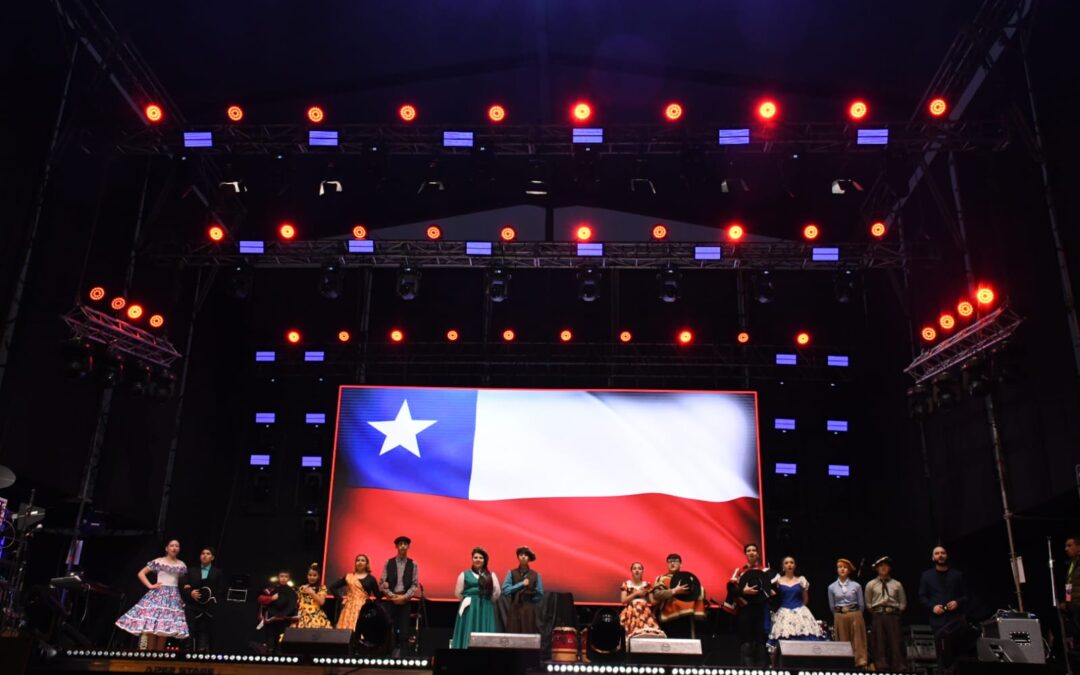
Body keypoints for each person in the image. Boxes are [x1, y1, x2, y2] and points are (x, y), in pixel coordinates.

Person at [115, 539, 190, 650]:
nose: (174, 548)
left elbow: (180, 580)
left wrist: (185, 586)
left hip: (172, 597)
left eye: (177, 546)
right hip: (159, 594)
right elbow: (141, 573)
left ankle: (158, 656)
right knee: (152, 625)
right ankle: (149, 655)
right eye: (172, 545)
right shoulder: (159, 561)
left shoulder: (181, 564)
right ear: (167, 548)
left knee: (164, 627)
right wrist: (150, 585)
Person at [918, 545, 968, 671]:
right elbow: (922, 596)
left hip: (955, 620)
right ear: (933, 557)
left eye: (943, 553)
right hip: (938, 620)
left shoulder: (957, 574)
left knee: (958, 651)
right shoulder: (926, 575)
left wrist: (957, 602)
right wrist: (932, 607)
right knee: (941, 652)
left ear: (947, 555)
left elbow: (966, 595)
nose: (940, 555)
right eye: (937, 553)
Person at [767, 556, 824, 656]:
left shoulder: (801, 580)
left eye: (791, 562)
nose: (789, 565)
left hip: (800, 611)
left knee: (805, 638)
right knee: (784, 639)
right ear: (783, 566)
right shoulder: (778, 581)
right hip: (784, 612)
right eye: (786, 563)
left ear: (795, 565)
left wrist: (799, 610)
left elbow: (805, 599)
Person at [724, 542, 771, 667]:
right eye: (748, 550)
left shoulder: (765, 570)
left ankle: (762, 670)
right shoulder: (739, 571)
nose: (751, 552)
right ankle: (747, 670)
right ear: (745, 554)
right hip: (745, 610)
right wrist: (743, 591)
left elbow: (772, 590)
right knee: (747, 640)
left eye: (754, 550)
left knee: (761, 641)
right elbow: (731, 588)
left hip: (761, 610)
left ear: (757, 553)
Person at [451, 547, 501, 648]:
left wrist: (487, 601)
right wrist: (469, 600)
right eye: (475, 557)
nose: (478, 559)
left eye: (481, 558)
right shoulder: (464, 574)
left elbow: (497, 592)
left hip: (486, 607)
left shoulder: (491, 575)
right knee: (468, 629)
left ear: (485, 560)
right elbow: (458, 593)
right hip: (469, 608)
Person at [865, 555, 908, 671]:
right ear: (877, 569)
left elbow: (903, 602)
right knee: (879, 641)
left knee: (896, 641)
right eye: (880, 566)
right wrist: (875, 612)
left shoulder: (897, 584)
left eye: (886, 566)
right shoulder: (871, 584)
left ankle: (899, 665)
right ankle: (881, 665)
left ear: (889, 568)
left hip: (893, 615)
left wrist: (898, 611)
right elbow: (868, 603)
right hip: (878, 615)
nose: (883, 568)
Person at [181, 546, 225, 652]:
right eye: (203, 553)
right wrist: (190, 592)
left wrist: (210, 597)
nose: (205, 555)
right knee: (190, 630)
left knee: (204, 631)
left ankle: (201, 654)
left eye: (208, 553)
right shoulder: (191, 571)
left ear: (212, 557)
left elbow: (221, 589)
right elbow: (184, 586)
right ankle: (187, 653)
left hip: (208, 607)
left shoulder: (217, 572)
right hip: (192, 606)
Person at [651, 553, 706, 639]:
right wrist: (675, 591)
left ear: (681, 564)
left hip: (686, 617)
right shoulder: (662, 579)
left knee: (686, 646)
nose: (672, 563)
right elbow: (657, 595)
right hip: (668, 618)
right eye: (670, 561)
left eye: (675, 561)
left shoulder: (688, 579)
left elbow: (699, 591)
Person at [380, 536, 419, 657]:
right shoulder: (389, 562)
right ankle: (385, 658)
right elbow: (382, 583)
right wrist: (393, 596)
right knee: (387, 630)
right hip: (390, 601)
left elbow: (414, 584)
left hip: (405, 601)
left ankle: (403, 659)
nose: (402, 546)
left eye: (405, 544)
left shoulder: (413, 564)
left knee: (404, 633)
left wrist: (404, 597)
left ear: (408, 547)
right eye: (400, 544)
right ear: (396, 546)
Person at [827, 558, 868, 668]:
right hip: (839, 615)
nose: (842, 569)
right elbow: (832, 605)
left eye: (845, 567)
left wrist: (857, 614)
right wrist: (838, 614)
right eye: (840, 567)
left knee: (858, 638)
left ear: (849, 571)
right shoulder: (831, 587)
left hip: (854, 613)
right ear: (837, 569)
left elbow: (861, 604)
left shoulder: (856, 585)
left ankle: (860, 661)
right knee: (843, 638)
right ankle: (844, 662)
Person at [329, 554, 382, 632]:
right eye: (358, 560)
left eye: (362, 560)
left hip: (364, 608)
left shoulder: (371, 579)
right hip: (349, 608)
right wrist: (340, 599)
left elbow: (378, 595)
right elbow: (332, 587)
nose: (360, 562)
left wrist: (373, 607)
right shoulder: (349, 577)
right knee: (345, 633)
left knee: (362, 632)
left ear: (367, 564)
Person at [501, 546, 543, 633]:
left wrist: (530, 599)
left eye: (526, 555)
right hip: (514, 607)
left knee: (528, 632)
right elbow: (506, 590)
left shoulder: (536, 575)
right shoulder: (511, 573)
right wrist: (521, 584)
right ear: (518, 557)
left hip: (529, 609)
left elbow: (540, 594)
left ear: (529, 558)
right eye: (521, 555)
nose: (523, 556)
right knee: (513, 632)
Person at [619, 562, 665, 640]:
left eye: (639, 568)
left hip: (644, 611)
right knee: (632, 634)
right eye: (634, 568)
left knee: (647, 634)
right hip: (631, 611)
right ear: (631, 571)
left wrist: (663, 595)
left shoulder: (647, 585)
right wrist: (636, 593)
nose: (637, 570)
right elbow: (623, 600)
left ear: (642, 571)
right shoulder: (626, 584)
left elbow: (652, 601)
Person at [257, 569, 299, 654]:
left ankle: (280, 653)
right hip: (272, 618)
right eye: (281, 576)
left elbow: (297, 603)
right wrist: (271, 598)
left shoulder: (293, 590)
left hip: (285, 619)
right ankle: (270, 652)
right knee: (271, 637)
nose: (283, 578)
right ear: (278, 577)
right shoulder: (271, 589)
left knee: (282, 637)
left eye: (286, 577)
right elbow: (260, 599)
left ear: (289, 578)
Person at [296, 563, 333, 629]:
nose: (312, 577)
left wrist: (312, 593)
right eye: (310, 575)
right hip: (301, 615)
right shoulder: (302, 588)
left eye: (314, 575)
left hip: (315, 615)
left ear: (318, 576)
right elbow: (297, 601)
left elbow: (321, 602)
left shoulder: (321, 588)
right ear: (307, 576)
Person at [1062, 535, 1080, 650]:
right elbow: (1069, 583)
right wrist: (1067, 601)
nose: (1066, 549)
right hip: (1073, 606)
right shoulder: (1072, 563)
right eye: (1065, 546)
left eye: (1070, 545)